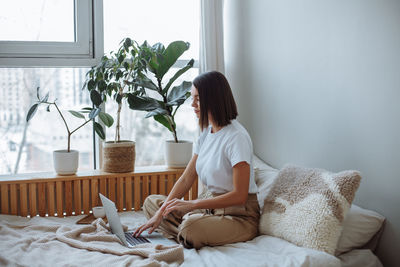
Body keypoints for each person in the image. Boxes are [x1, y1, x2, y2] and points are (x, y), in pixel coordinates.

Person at [133, 71, 259, 249]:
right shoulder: (206, 134)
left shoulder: (237, 137)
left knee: (191, 227)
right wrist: (160, 213)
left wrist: (192, 204)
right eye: (193, 98)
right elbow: (186, 178)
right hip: (210, 209)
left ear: (214, 99)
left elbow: (240, 195)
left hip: (239, 215)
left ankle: (189, 232)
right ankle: (190, 232)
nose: (192, 104)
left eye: (198, 99)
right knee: (152, 204)